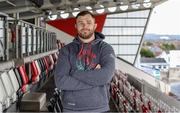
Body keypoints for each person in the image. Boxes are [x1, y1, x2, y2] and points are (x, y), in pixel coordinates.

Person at [54, 10, 115, 112]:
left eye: (88, 22)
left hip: (100, 108)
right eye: (80, 23)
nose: (84, 25)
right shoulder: (66, 50)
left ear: (95, 26)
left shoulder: (105, 48)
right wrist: (96, 79)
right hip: (71, 108)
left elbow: (106, 76)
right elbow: (60, 82)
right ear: (76, 26)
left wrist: (74, 73)